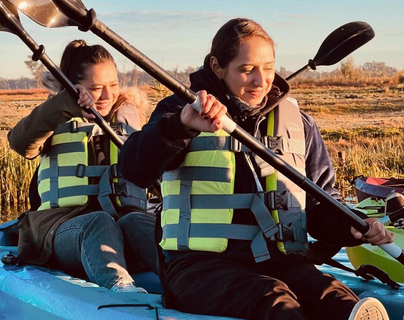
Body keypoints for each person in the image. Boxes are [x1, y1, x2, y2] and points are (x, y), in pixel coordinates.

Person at [117, 18, 394, 319]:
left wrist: (350, 225)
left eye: (268, 67)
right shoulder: (179, 112)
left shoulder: (298, 123)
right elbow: (134, 169)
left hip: (279, 260)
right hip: (198, 268)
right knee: (276, 302)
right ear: (217, 67)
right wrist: (180, 127)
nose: (261, 81)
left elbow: (319, 201)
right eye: (247, 69)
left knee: (335, 298)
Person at [8, 39, 158, 293]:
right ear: (77, 88)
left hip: (122, 228)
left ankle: (189, 282)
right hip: (62, 233)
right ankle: (121, 290)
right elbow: (20, 142)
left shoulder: (129, 120)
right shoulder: (54, 117)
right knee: (97, 222)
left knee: (137, 223)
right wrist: (66, 104)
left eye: (113, 85)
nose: (108, 95)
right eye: (97, 88)